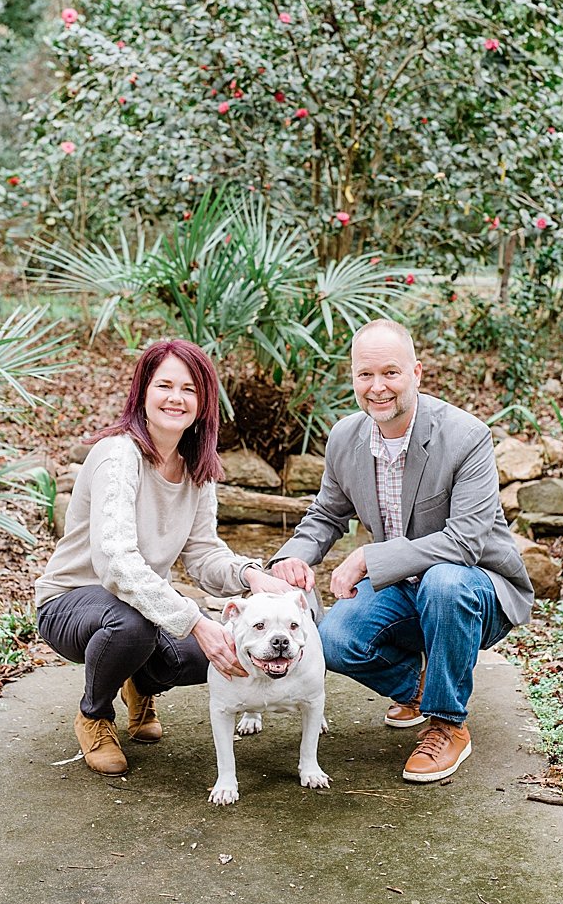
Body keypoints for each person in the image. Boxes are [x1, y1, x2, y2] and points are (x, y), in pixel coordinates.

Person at [267, 319, 532, 784]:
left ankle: (448, 723)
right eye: (365, 375)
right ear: (353, 378)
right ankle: (421, 690)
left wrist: (370, 559)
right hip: (403, 590)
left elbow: (465, 540)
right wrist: (291, 558)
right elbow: (327, 515)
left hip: (476, 587)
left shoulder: (465, 436)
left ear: (417, 373)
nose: (378, 388)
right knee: (330, 639)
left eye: (390, 373)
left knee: (444, 581)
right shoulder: (346, 438)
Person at [35, 339, 296, 776]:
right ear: (142, 392)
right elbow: (116, 561)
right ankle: (95, 715)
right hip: (71, 602)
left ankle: (138, 683)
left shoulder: (197, 467)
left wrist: (252, 576)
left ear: (204, 402)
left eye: (189, 389)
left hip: (140, 606)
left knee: (224, 648)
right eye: (165, 385)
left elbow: (203, 554)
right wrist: (195, 621)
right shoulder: (118, 456)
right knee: (134, 626)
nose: (176, 398)